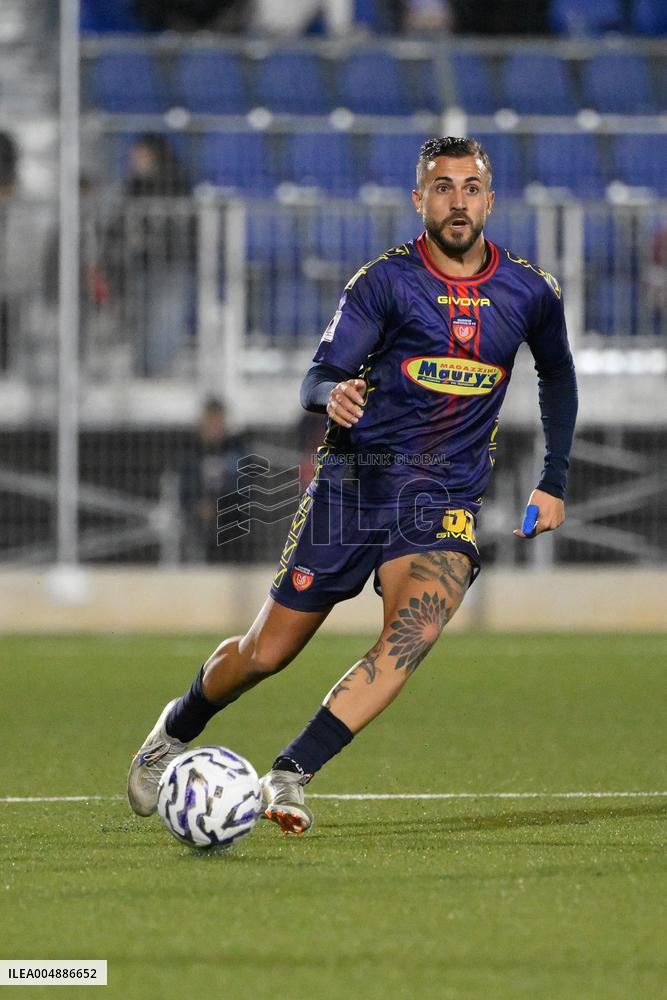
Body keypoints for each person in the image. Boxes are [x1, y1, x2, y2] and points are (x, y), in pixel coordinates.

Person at [128, 136, 578, 836]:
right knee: (264, 654)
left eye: (469, 186)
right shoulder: (383, 282)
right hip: (354, 488)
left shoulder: (527, 292)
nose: (456, 200)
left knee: (413, 630)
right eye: (441, 186)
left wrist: (552, 479)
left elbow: (558, 375)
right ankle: (173, 729)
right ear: (418, 199)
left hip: (442, 500)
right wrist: (332, 394)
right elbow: (317, 375)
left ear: (489, 199)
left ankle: (290, 772)